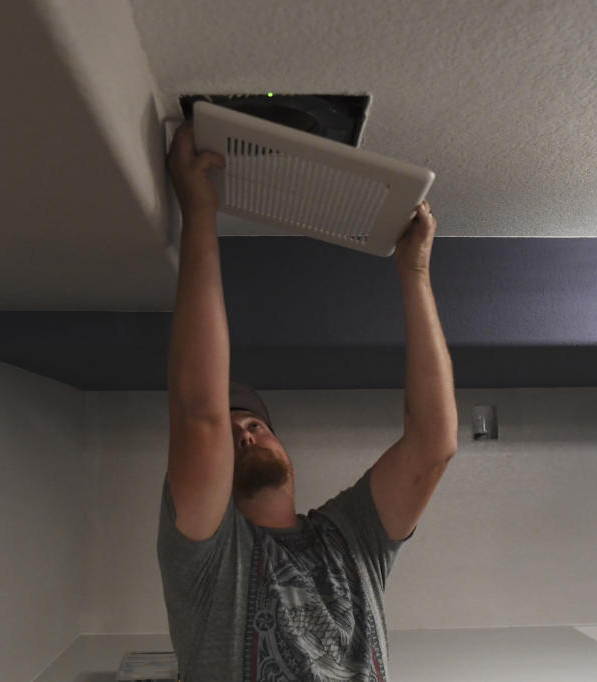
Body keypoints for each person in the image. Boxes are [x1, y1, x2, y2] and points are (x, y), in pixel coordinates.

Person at [157, 121, 458, 681]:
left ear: (283, 446)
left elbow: (432, 444)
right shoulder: (206, 558)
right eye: (232, 432)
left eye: (254, 424)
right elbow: (198, 417)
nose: (244, 432)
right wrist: (200, 212)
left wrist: (414, 272)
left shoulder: (352, 536)